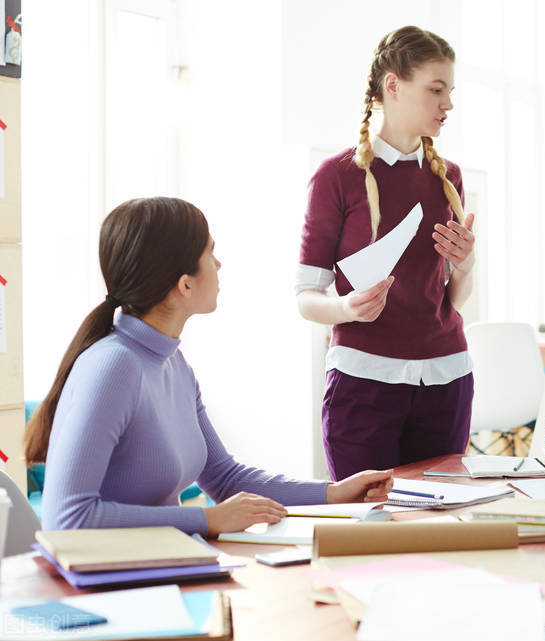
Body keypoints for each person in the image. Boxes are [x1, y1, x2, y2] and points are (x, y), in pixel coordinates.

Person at [25, 197, 393, 537]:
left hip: (167, 569)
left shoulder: (172, 362)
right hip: (117, 592)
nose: (219, 264)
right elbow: (66, 519)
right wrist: (206, 520)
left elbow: (224, 477)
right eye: (210, 252)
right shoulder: (112, 367)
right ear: (184, 285)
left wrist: (333, 492)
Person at [295, 25, 476, 481]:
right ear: (392, 85)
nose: (448, 104)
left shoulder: (449, 176)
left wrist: (466, 264)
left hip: (446, 380)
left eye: (450, 91)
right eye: (436, 90)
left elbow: (451, 298)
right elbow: (306, 297)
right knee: (369, 529)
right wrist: (344, 308)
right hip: (364, 384)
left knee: (436, 527)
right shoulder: (335, 176)